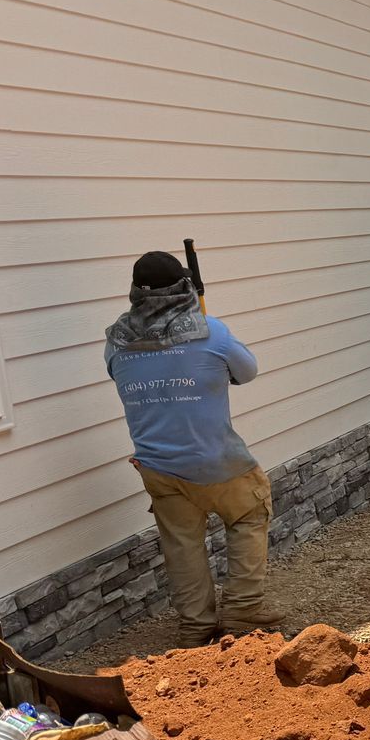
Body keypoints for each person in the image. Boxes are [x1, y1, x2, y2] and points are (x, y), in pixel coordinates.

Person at [104, 251, 277, 646]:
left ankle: (196, 625)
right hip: (218, 461)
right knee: (249, 512)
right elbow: (246, 372)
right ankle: (242, 611)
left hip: (157, 466)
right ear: (183, 287)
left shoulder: (115, 341)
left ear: (135, 294)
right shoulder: (210, 331)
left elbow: (121, 373)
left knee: (182, 542)